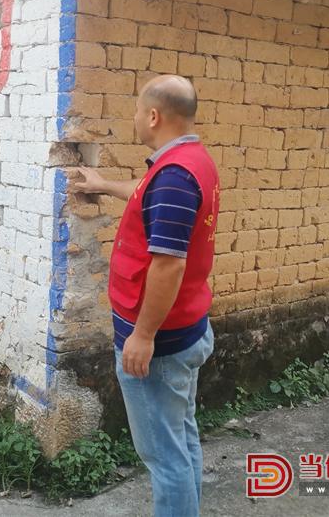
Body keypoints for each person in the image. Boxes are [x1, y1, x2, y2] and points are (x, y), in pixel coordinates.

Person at [73, 74, 219, 516]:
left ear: (153, 116)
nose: (135, 118)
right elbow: (146, 195)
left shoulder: (174, 177)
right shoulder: (192, 162)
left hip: (160, 346)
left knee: (164, 457)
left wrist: (142, 335)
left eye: (138, 111)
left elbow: (169, 263)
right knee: (182, 439)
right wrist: (101, 184)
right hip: (187, 331)